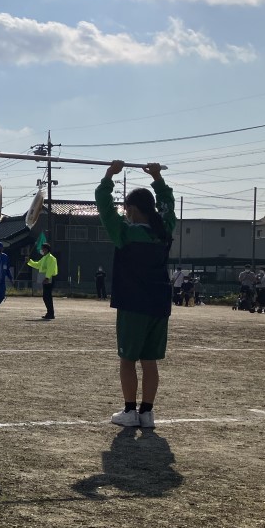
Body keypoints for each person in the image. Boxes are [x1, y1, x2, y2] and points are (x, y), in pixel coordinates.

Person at [95, 160, 175, 430]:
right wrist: (157, 178)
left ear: (130, 209)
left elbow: (103, 205)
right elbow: (168, 204)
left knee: (127, 358)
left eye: (125, 208)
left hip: (133, 304)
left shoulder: (125, 233)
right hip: (159, 304)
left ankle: (130, 411)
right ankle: (147, 413)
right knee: (149, 360)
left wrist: (109, 175)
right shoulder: (165, 230)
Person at [27, 242, 58, 320]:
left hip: (49, 278)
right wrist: (29, 261)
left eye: (43, 248)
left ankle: (50, 313)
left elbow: (51, 269)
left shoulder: (51, 258)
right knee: (46, 297)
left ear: (46, 249)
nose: (42, 250)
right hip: (45, 278)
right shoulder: (44, 258)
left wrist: (47, 278)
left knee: (47, 296)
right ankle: (50, 313)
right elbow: (37, 265)